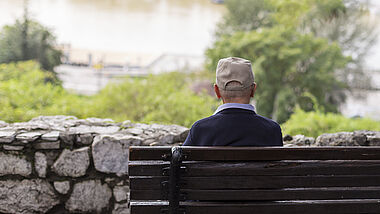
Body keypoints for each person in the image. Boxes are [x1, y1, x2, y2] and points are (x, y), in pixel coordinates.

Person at [183, 57, 283, 146]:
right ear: (253, 90)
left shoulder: (200, 130)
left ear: (217, 91)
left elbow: (181, 163)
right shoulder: (272, 130)